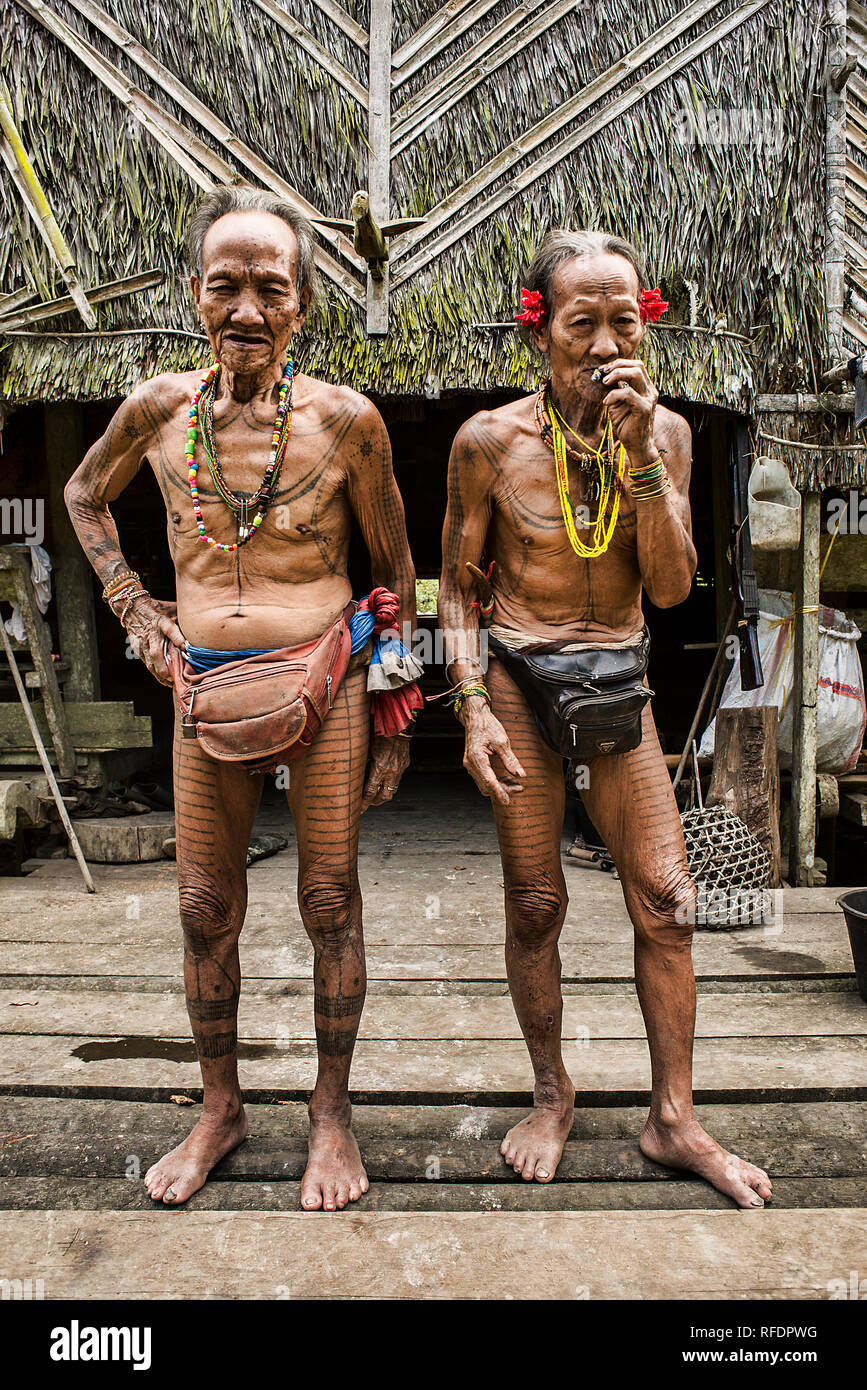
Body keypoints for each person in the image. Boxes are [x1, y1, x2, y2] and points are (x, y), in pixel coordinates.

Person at [65, 188, 419, 1211]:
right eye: (227, 285)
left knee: (328, 899)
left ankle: (331, 1113)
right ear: (195, 295)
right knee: (202, 906)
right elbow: (85, 494)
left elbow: (397, 574)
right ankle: (220, 1106)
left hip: (327, 681)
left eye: (272, 286)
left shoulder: (348, 423)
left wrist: (400, 720)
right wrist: (136, 607)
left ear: (304, 303)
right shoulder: (159, 412)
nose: (247, 308)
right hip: (203, 688)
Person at [438, 229, 773, 1208]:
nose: (602, 345)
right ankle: (552, 1092)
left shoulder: (666, 435)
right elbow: (454, 590)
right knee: (536, 904)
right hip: (520, 681)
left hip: (622, 681)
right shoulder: (488, 443)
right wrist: (468, 711)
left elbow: (672, 591)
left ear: (647, 324)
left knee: (667, 899)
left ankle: (674, 1117)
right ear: (538, 334)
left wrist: (641, 461)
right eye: (579, 323)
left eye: (621, 321)